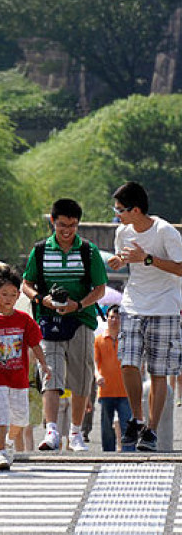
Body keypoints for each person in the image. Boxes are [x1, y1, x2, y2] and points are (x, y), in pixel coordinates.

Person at [22, 198, 107, 452]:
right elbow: (26, 284)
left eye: (72, 225)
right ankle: (52, 431)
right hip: (49, 321)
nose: (67, 231)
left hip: (80, 320)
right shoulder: (39, 251)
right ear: (53, 222)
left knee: (81, 377)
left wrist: (78, 305)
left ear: (78, 224)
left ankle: (76, 432)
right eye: (61, 225)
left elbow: (100, 289)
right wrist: (42, 299)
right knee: (50, 373)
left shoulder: (89, 251)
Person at [107, 181, 182, 451]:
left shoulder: (165, 232)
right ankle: (136, 419)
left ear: (135, 210)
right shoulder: (122, 232)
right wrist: (120, 261)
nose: (117, 216)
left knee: (158, 372)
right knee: (128, 362)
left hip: (165, 306)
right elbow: (126, 258)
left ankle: (151, 430)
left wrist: (147, 258)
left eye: (120, 210)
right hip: (133, 303)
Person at [0, 266, 50, 471]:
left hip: (19, 377)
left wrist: (44, 365)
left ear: (19, 295)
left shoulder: (24, 320)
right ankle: (1, 451)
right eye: (3, 294)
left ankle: (8, 442)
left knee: (20, 417)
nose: (8, 298)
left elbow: (35, 344)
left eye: (12, 294)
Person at [94, 304, 130, 452]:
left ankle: (129, 452)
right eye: (111, 317)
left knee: (127, 425)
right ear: (107, 319)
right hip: (106, 390)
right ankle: (107, 454)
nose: (114, 320)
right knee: (106, 426)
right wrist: (97, 375)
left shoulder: (127, 339)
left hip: (125, 390)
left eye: (117, 317)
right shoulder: (99, 340)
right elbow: (95, 362)